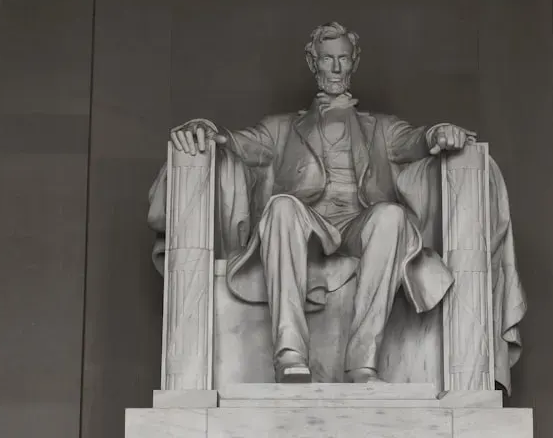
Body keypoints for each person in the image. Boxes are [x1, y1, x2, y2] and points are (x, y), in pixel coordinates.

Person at [171, 22, 473, 383]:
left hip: (360, 225)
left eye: (343, 59)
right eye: (327, 59)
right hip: (307, 224)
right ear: (313, 62)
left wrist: (439, 131)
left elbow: (417, 140)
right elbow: (233, 142)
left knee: (392, 216)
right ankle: (290, 354)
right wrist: (201, 126)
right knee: (281, 206)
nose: (335, 68)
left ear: (354, 62)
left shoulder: (381, 127)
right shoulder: (281, 128)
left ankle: (363, 361)